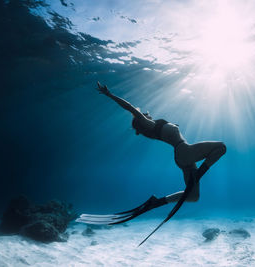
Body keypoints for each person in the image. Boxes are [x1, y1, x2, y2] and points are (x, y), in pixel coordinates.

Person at [77, 82, 226, 243]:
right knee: (221, 147)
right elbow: (130, 108)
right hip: (184, 151)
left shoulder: (153, 126)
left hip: (182, 158)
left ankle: (157, 202)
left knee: (193, 196)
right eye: (143, 115)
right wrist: (109, 94)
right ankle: (199, 174)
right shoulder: (150, 124)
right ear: (142, 121)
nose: (146, 113)